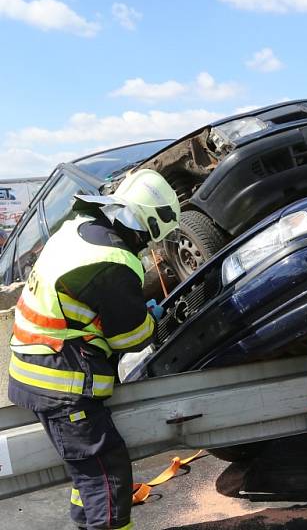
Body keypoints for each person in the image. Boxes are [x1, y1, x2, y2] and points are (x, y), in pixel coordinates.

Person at [8, 170, 180, 530]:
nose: (147, 247)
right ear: (149, 222)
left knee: (89, 473)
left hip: (37, 368)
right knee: (107, 476)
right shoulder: (115, 261)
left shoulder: (78, 228)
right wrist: (149, 318)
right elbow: (130, 340)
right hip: (62, 383)